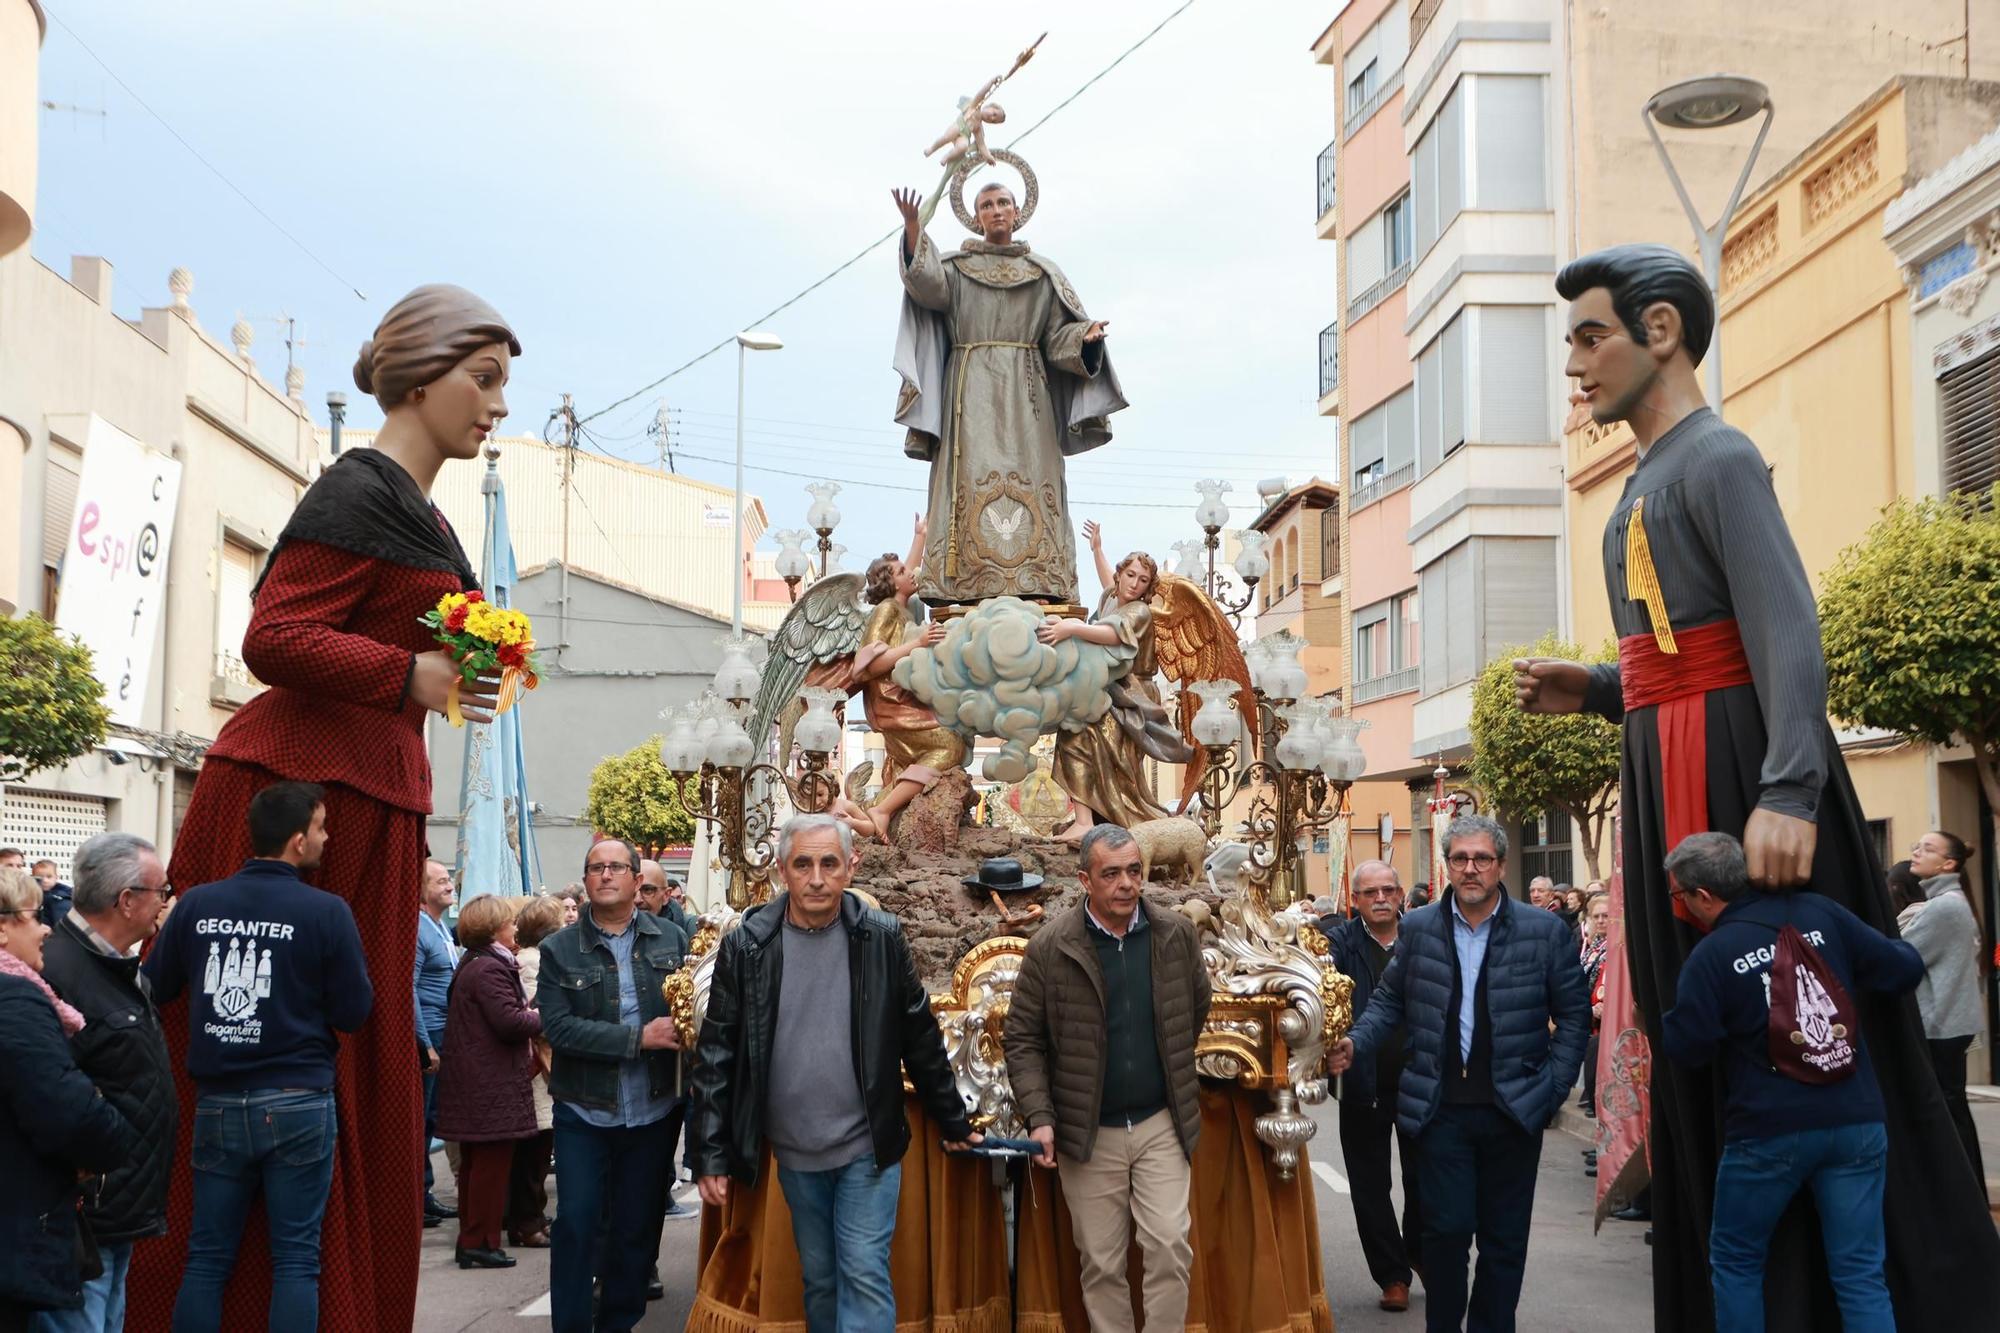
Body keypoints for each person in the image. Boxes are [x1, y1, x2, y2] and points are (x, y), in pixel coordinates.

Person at [1520, 242, 2000, 1327]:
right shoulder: (1645, 477)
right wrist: (1600, 690)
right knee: (1713, 1038)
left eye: (1589, 336)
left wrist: (1785, 788)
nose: (1574, 366)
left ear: (1658, 333)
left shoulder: (1717, 458)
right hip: (1671, 757)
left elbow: (1785, 623)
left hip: (1734, 771)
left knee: (1794, 1042)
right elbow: (1678, 646)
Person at [127, 285, 519, 1333]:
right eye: (482, 379)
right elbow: (273, 635)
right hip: (301, 788)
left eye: (502, 385)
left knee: (355, 1062)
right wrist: (411, 678)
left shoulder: (417, 509)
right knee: (306, 1058)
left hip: (366, 790)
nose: (495, 405)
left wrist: (448, 671)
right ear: (421, 374)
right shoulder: (358, 489)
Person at [689, 814, 979, 1333]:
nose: (816, 877)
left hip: (866, 1146)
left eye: (829, 863)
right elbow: (716, 1053)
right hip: (795, 1150)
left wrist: (952, 1120)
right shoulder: (748, 945)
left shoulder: (883, 938)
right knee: (820, 1279)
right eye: (803, 864)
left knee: (864, 1272)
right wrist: (709, 1153)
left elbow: (919, 1036)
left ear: (852, 867)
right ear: (782, 872)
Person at [1330, 815, 1589, 1333]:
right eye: (1460, 859)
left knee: (1504, 1240)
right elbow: (1388, 1000)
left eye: (1482, 859)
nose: (1470, 869)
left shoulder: (1542, 932)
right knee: (1445, 1235)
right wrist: (1356, 1042)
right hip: (1440, 1110)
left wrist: (1553, 1088)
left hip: (1514, 1110)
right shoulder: (1421, 927)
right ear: (1447, 865)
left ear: (1501, 865)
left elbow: (1576, 1014)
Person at [1658, 832, 1924, 1332]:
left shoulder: (1712, 957)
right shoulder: (1819, 913)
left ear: (1703, 896)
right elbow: (1903, 968)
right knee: (1861, 1273)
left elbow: (1686, 1049)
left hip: (1768, 1130)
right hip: (1855, 1118)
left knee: (1737, 1262)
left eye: (1680, 896)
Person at [142, 782, 374, 1332]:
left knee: (206, 1259)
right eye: (320, 828)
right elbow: (354, 1012)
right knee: (296, 1260)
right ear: (297, 840)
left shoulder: (199, 903)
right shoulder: (327, 911)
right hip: (297, 1100)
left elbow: (153, 987)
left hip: (219, 1101)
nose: (325, 838)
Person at [1004, 823, 1210, 1332]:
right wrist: (1040, 1116)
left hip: (1161, 1122)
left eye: (1134, 871)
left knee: (1168, 1246)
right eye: (1111, 873)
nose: (1126, 884)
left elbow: (1196, 1006)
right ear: (1084, 880)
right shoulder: (1051, 947)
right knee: (1101, 1262)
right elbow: (1023, 1039)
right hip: (1087, 1131)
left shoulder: (1175, 935)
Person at [890, 177, 1125, 605]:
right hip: (969, 390)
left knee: (1035, 474)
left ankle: (1038, 579)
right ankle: (964, 583)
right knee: (969, 475)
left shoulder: (1042, 274)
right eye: (986, 205)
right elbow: (925, 285)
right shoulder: (957, 268)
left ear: (1018, 211)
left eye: (1003, 203)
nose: (996, 210)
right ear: (975, 216)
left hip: (1027, 393)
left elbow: (1056, 339)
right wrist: (912, 231)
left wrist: (1083, 339)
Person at [537, 841, 689, 1333]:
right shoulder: (558, 949)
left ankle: (619, 1323)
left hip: (652, 1111)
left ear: (635, 880)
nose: (605, 875)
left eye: (615, 867)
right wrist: (637, 1038)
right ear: (585, 881)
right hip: (585, 1111)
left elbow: (693, 1016)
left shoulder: (671, 939)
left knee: (637, 1231)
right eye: (595, 868)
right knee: (577, 1225)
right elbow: (558, 1029)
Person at [34, 834, 177, 1333]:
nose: (166, 902)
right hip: (81, 1218)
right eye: (162, 891)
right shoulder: (56, 972)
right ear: (127, 900)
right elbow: (49, 1097)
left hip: (118, 1210)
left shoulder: (122, 969)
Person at [0, 866, 140, 1333]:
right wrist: (116, 1140)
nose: (44, 927)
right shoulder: (16, 1001)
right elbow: (66, 1112)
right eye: (33, 915)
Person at [1318, 860, 1421, 1314]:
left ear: (1400, 895)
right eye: (1370, 892)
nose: (1380, 899)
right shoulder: (1340, 941)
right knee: (1369, 1185)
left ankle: (1418, 1251)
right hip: (1361, 1082)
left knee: (1427, 1181)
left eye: (1387, 890)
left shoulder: (1422, 938)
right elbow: (1319, 978)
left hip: (1422, 1081)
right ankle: (1393, 1275)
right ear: (1354, 900)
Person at [1043, 543, 1194, 842]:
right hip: (1109, 686)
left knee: (1100, 752)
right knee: (1081, 739)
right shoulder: (1113, 599)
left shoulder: (1139, 612)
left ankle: (1096, 822)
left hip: (1132, 693)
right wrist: (1097, 549)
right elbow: (1107, 585)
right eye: (1130, 575)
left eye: (1143, 581)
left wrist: (1070, 628)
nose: (1135, 584)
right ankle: (1089, 819)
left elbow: (1112, 634)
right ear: (1120, 574)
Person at [432, 893, 542, 1270]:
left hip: (478, 1081)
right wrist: (543, 1016)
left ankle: (474, 1240)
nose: (515, 927)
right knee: (489, 1169)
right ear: (495, 927)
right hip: (489, 1083)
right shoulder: (490, 969)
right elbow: (510, 1022)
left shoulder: (476, 963)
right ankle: (481, 1241)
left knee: (477, 1167)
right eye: (510, 922)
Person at [849, 522, 965, 840]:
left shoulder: (905, 608)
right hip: (890, 701)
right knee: (950, 746)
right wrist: (918, 643)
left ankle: (872, 813)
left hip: (904, 698)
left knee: (954, 737)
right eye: (901, 571)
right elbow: (867, 667)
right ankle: (882, 810)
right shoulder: (886, 610)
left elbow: (909, 571)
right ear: (891, 583)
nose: (911, 572)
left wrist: (921, 537)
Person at [1898, 830, 1986, 1198]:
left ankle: (1963, 1195)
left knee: (1947, 1112)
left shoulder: (1943, 907)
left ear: (1948, 864)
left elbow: (1901, 955)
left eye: (1928, 849)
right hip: (1949, 1022)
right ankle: (1967, 1194)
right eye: (1917, 846)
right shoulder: (1946, 902)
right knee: (1952, 1109)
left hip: (1941, 1024)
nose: (1917, 852)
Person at [504, 894, 564, 1250]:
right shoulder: (532, 963)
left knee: (538, 1148)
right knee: (534, 1149)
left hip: (540, 1065)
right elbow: (536, 1014)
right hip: (538, 1067)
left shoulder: (532, 959)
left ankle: (532, 1217)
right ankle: (527, 1221)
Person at [414, 857, 460, 1227]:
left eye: (449, 879)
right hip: (430, 1036)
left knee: (432, 1120)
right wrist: (423, 1043)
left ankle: (424, 1194)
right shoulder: (418, 929)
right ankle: (417, 1196)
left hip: (445, 1036)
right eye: (440, 881)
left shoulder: (441, 928)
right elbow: (408, 988)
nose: (449, 885)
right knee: (422, 1123)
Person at [1578, 891, 1612, 1127]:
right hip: (1588, 1018)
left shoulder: (1619, 947)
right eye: (1596, 916)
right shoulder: (1592, 948)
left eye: (1606, 916)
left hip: (1608, 1025)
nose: (1600, 920)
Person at [29, 859, 72, 928]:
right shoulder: (29, 896)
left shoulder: (64, 896)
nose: (45, 880)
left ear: (56, 878)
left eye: (49, 876)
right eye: (40, 877)